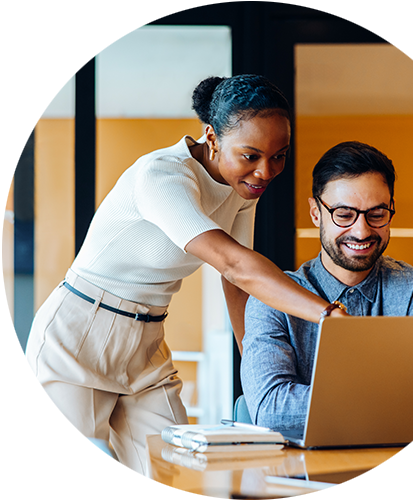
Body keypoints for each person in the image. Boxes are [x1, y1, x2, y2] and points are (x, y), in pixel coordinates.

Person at [25, 74, 340, 500]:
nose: (265, 171)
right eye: (250, 155)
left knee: (164, 479)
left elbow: (237, 285)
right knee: (82, 487)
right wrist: (328, 314)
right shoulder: (161, 175)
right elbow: (234, 262)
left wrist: (256, 368)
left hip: (147, 340)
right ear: (211, 137)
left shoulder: (243, 188)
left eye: (279, 156)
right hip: (78, 333)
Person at [241, 141, 413, 432]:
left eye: (376, 214)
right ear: (316, 213)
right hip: (302, 475)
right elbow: (272, 410)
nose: (361, 231)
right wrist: (395, 400)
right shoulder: (270, 299)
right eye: (344, 215)